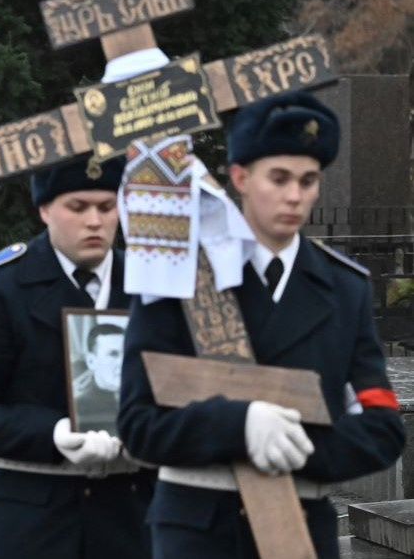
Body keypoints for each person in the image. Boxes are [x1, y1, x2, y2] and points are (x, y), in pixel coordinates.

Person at [118, 91, 406, 558]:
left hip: (299, 528)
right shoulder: (176, 276)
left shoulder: (344, 288)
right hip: (197, 531)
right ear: (240, 177)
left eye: (308, 180)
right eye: (279, 178)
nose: (295, 195)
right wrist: (240, 425)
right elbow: (138, 423)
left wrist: (301, 446)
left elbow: (382, 426)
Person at [0, 157, 153, 559]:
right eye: (77, 207)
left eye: (107, 207)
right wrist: (53, 432)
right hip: (35, 522)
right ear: (44, 208)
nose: (95, 221)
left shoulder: (152, 284)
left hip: (132, 516)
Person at [72, 322, 125, 435]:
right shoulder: (79, 409)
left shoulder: (140, 402)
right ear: (91, 361)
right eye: (113, 354)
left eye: (126, 354)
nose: (122, 362)